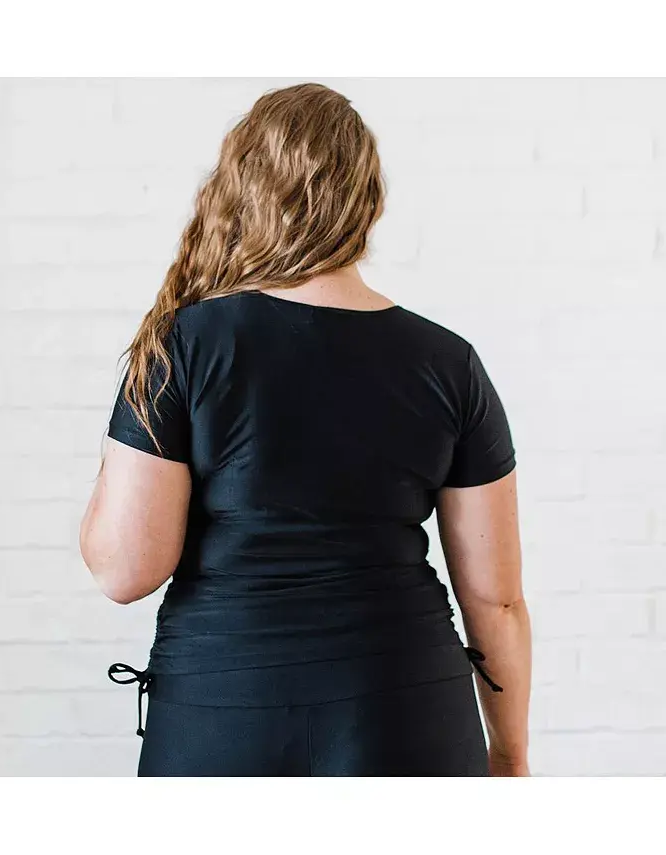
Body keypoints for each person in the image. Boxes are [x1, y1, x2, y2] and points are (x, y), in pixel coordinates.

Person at [79, 82, 532, 777]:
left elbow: (124, 569)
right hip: (407, 710)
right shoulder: (449, 362)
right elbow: (495, 600)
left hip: (223, 715)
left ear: (241, 191)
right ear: (369, 202)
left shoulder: (186, 343)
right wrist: (511, 754)